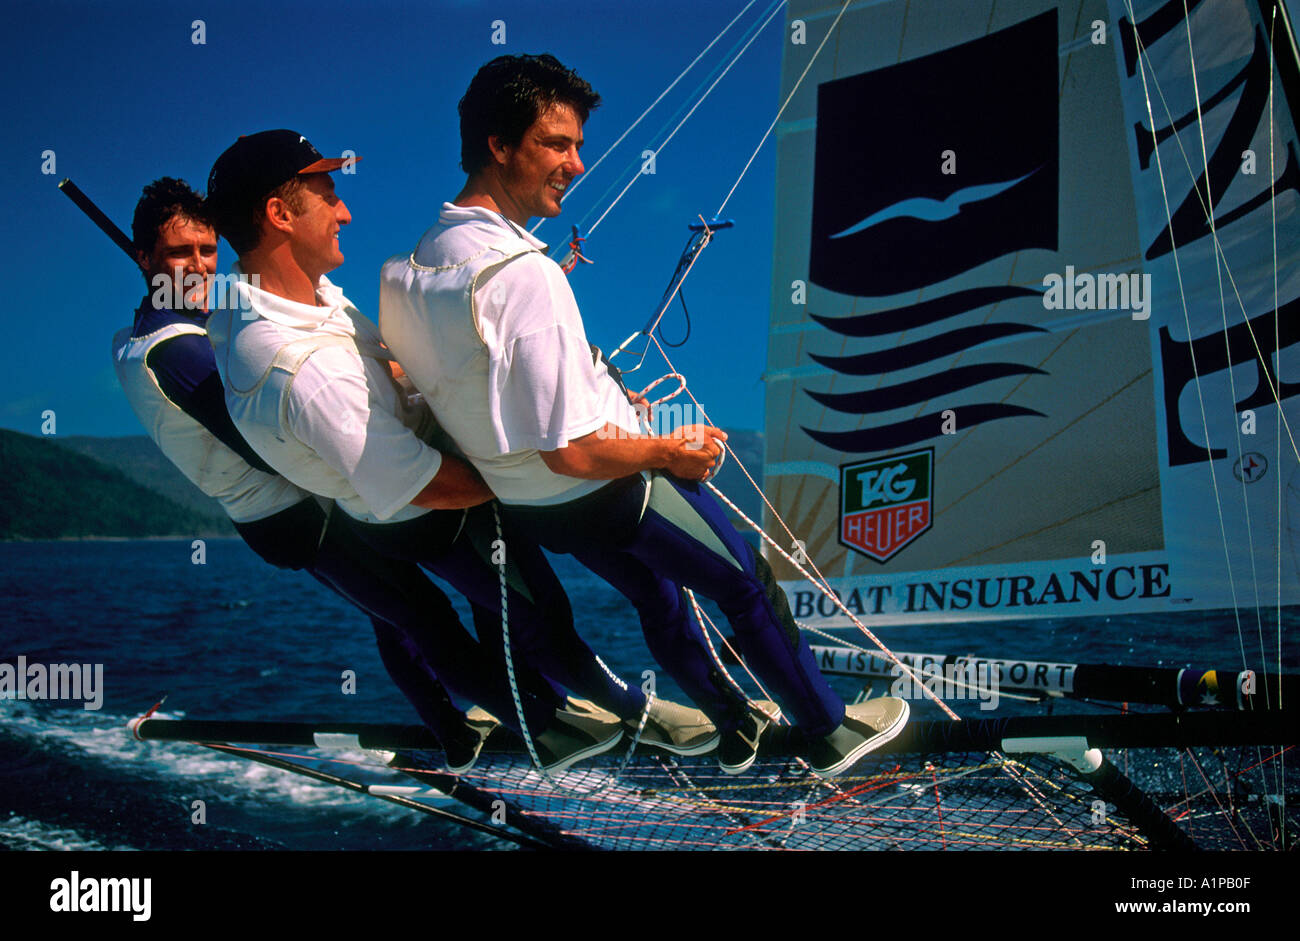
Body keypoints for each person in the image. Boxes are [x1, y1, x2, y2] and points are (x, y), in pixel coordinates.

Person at [378, 54, 909, 776]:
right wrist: (668, 451)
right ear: (499, 145)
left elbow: (478, 384)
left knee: (658, 600)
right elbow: (571, 448)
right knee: (744, 584)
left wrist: (598, 388)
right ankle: (828, 729)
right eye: (555, 144)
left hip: (537, 508)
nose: (577, 163)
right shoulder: (523, 275)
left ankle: (735, 721)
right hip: (608, 487)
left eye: (578, 146)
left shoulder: (409, 273)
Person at [203, 130, 716, 771]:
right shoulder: (299, 370)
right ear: (279, 215)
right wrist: (530, 463)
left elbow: (387, 369)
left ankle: (544, 708)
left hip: (411, 496)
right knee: (534, 610)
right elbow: (427, 486)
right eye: (328, 197)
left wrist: (501, 323)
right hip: (431, 510)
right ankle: (612, 718)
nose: (346, 213)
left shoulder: (289, 298)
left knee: (501, 612)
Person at [111, 177, 522, 772]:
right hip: (296, 516)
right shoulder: (175, 349)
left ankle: (452, 728)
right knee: (418, 612)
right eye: (179, 253)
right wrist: (359, 441)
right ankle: (529, 721)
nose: (199, 265)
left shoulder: (169, 328)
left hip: (303, 504)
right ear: (144, 257)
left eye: (207, 250)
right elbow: (262, 444)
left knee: (396, 613)